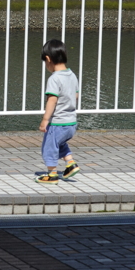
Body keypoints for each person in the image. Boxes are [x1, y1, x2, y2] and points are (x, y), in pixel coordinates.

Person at [36, 39, 80, 184]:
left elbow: (52, 100)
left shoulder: (54, 78)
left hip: (57, 123)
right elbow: (76, 95)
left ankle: (52, 174)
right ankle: (70, 164)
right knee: (60, 144)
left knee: (49, 146)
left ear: (48, 59)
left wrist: (45, 120)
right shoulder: (72, 75)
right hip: (71, 122)